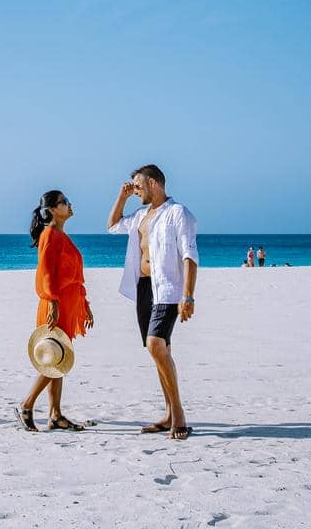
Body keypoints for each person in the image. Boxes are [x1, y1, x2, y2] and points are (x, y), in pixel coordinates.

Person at [108, 164, 198, 441]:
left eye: (138, 186)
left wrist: (188, 295)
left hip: (168, 290)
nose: (135, 190)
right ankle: (169, 413)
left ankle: (179, 414)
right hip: (144, 288)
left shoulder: (178, 213)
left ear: (154, 184)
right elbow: (112, 226)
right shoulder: (140, 216)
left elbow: (189, 256)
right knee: (161, 351)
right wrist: (121, 197)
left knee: (155, 345)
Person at [15, 190, 94, 432]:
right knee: (54, 358)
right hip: (55, 303)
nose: (70, 204)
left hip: (67, 302)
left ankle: (56, 414)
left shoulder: (62, 235)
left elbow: (73, 275)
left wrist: (85, 304)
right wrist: (52, 301)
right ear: (52, 210)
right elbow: (46, 272)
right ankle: (26, 405)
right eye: (64, 202)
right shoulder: (50, 234)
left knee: (61, 356)